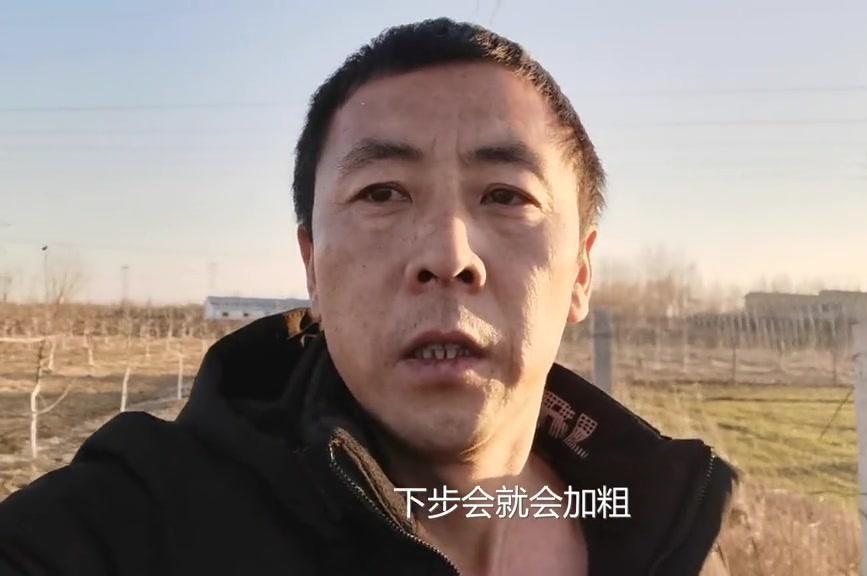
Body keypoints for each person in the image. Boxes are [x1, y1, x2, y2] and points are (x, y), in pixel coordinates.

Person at [0, 18, 735, 576]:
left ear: (579, 272)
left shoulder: (669, 530)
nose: (448, 256)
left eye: (506, 195)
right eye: (382, 192)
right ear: (312, 268)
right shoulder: (134, 526)